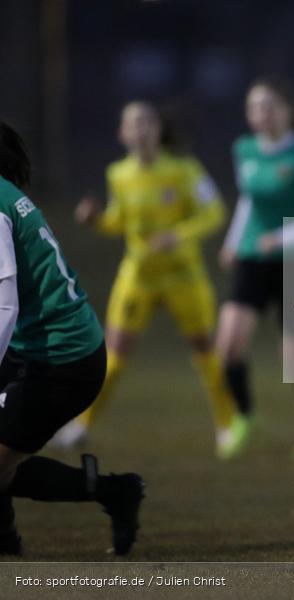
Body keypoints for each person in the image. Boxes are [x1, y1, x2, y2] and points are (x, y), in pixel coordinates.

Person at [54, 101, 238, 458]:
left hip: (183, 275)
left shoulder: (183, 170)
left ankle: (227, 425)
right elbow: (119, 222)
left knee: (205, 352)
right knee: (112, 357)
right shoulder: (118, 175)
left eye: (147, 122)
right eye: (133, 124)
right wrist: (96, 220)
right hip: (138, 276)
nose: (141, 129)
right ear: (122, 134)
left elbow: (214, 213)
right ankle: (82, 426)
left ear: (158, 130)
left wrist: (178, 235)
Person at [0, 120, 144, 556]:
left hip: (62, 359)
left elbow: (4, 302)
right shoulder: (8, 195)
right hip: (37, 348)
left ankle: (113, 492)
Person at [216, 78, 294, 460]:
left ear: (288, 110)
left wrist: (281, 238)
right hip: (253, 258)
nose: (262, 114)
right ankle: (244, 417)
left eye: (270, 106)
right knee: (229, 343)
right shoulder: (244, 149)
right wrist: (235, 241)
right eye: (255, 107)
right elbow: (249, 201)